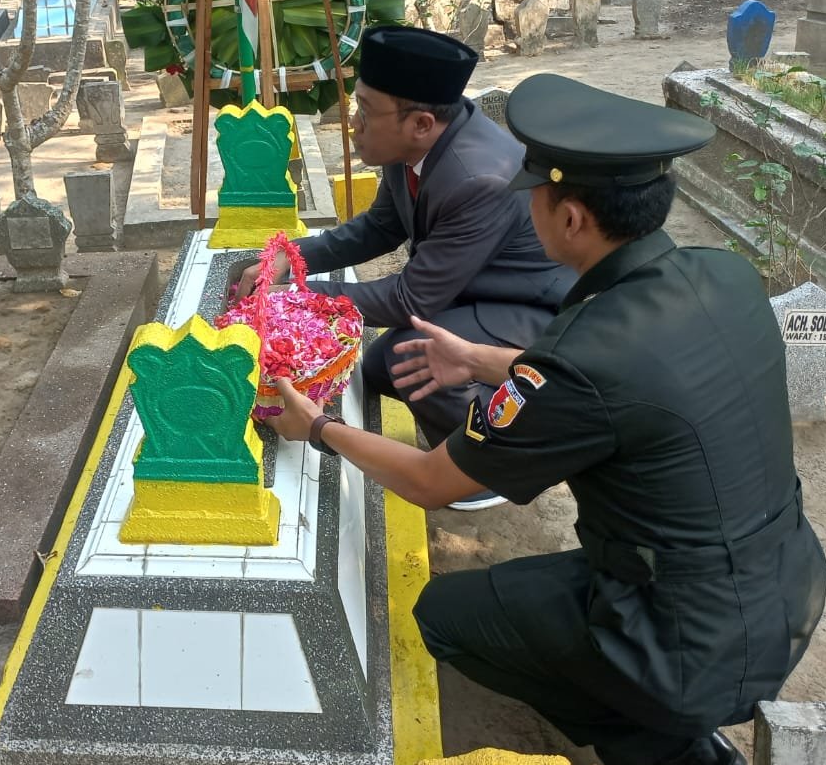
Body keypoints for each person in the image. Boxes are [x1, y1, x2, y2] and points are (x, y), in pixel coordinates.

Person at [263, 73, 826, 765]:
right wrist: (479, 358)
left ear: (569, 217)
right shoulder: (721, 275)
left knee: (445, 615)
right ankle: (670, 717)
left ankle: (665, 753)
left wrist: (320, 430)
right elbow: (632, 380)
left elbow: (435, 482)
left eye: (532, 198)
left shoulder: (582, 355)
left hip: (686, 637)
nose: (523, 210)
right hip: (783, 590)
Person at [237, 27, 574, 507]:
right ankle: (450, 435)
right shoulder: (412, 147)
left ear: (419, 123)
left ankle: (486, 467)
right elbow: (378, 228)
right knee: (374, 368)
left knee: (406, 357)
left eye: (366, 111)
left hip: (529, 305)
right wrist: (291, 260)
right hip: (471, 286)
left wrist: (292, 301)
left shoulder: (477, 178)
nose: (353, 123)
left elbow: (411, 299)